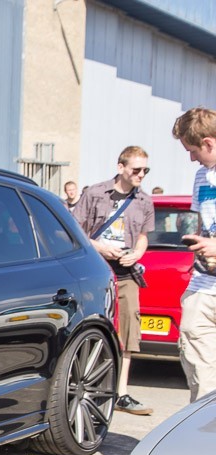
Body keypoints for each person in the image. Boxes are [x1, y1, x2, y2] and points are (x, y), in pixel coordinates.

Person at [72, 145, 155, 415]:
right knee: (91, 327)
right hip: (96, 270)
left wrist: (137, 253)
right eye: (136, 169)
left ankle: (121, 393)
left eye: (145, 170)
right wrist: (101, 248)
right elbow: (74, 230)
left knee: (128, 332)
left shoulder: (144, 201)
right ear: (121, 167)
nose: (141, 175)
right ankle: (88, 387)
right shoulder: (95, 193)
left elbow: (143, 236)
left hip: (126, 273)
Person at [172, 107, 216, 402]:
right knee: (202, 377)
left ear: (209, 143)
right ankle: (205, 426)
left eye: (193, 150)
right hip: (203, 286)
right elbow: (202, 222)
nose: (191, 158)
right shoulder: (201, 176)